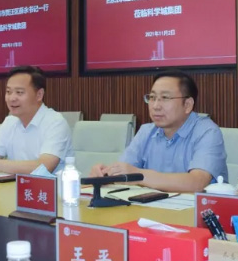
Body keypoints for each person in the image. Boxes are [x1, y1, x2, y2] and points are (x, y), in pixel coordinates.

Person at [90, 69, 227, 193]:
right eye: (152, 97)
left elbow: (197, 183)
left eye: (165, 98)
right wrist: (105, 175)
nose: (155, 106)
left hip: (196, 210)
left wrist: (139, 175)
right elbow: (126, 172)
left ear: (187, 105)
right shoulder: (146, 131)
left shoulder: (207, 132)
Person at [0, 66, 71, 175]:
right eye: (8, 92)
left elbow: (44, 167)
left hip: (50, 186)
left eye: (19, 92)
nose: (12, 98)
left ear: (39, 95)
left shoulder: (55, 122)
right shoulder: (10, 122)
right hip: (16, 185)